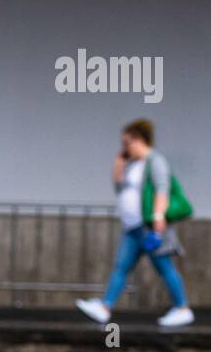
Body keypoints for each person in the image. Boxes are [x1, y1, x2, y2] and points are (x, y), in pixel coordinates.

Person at [76, 119, 194, 330]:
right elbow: (121, 189)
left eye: (127, 142)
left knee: (164, 267)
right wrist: (118, 165)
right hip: (132, 227)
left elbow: (162, 188)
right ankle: (105, 307)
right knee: (121, 266)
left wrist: (158, 215)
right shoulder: (133, 165)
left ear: (140, 140)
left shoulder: (155, 161)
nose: (125, 147)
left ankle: (182, 308)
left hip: (148, 226)